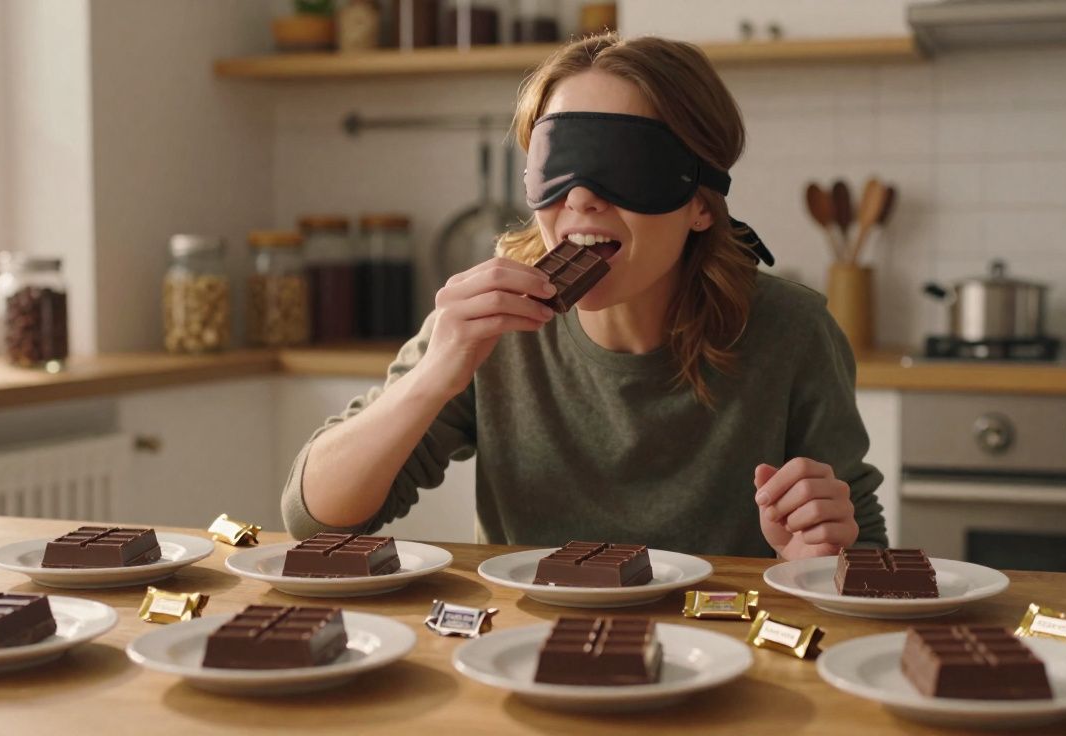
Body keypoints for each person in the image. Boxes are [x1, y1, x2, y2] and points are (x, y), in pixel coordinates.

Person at [280, 34, 887, 559]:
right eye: (557, 165)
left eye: (623, 165)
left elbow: (859, 551)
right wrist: (436, 372)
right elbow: (314, 522)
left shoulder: (790, 331)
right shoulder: (489, 322)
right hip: (523, 656)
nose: (581, 199)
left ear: (701, 203)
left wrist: (814, 551)